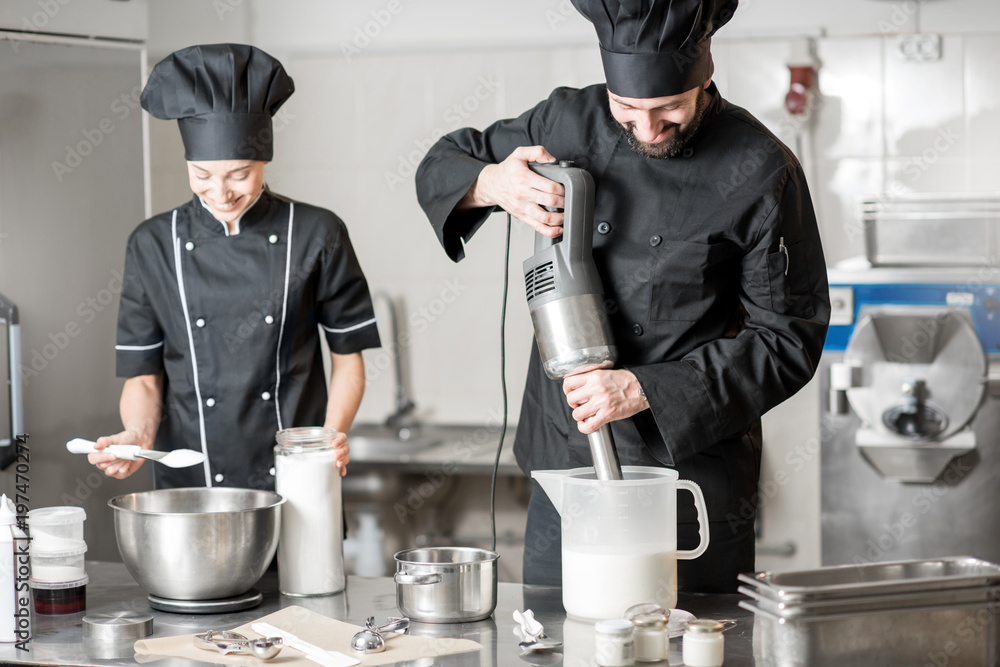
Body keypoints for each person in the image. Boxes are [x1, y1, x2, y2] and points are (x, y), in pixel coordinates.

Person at [415, 0, 830, 591]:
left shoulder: (761, 169)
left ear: (704, 78)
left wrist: (641, 388)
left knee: (691, 643)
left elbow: (789, 338)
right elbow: (441, 163)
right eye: (627, 110)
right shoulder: (567, 121)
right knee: (557, 641)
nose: (647, 130)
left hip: (688, 476)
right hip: (567, 462)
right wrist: (492, 182)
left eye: (668, 110)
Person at [90, 44, 381, 489]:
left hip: (298, 478)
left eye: (240, 174)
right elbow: (144, 378)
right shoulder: (152, 244)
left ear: (264, 159)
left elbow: (348, 361)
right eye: (202, 175)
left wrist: (329, 439)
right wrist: (138, 436)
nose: (220, 193)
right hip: (191, 487)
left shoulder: (317, 232)